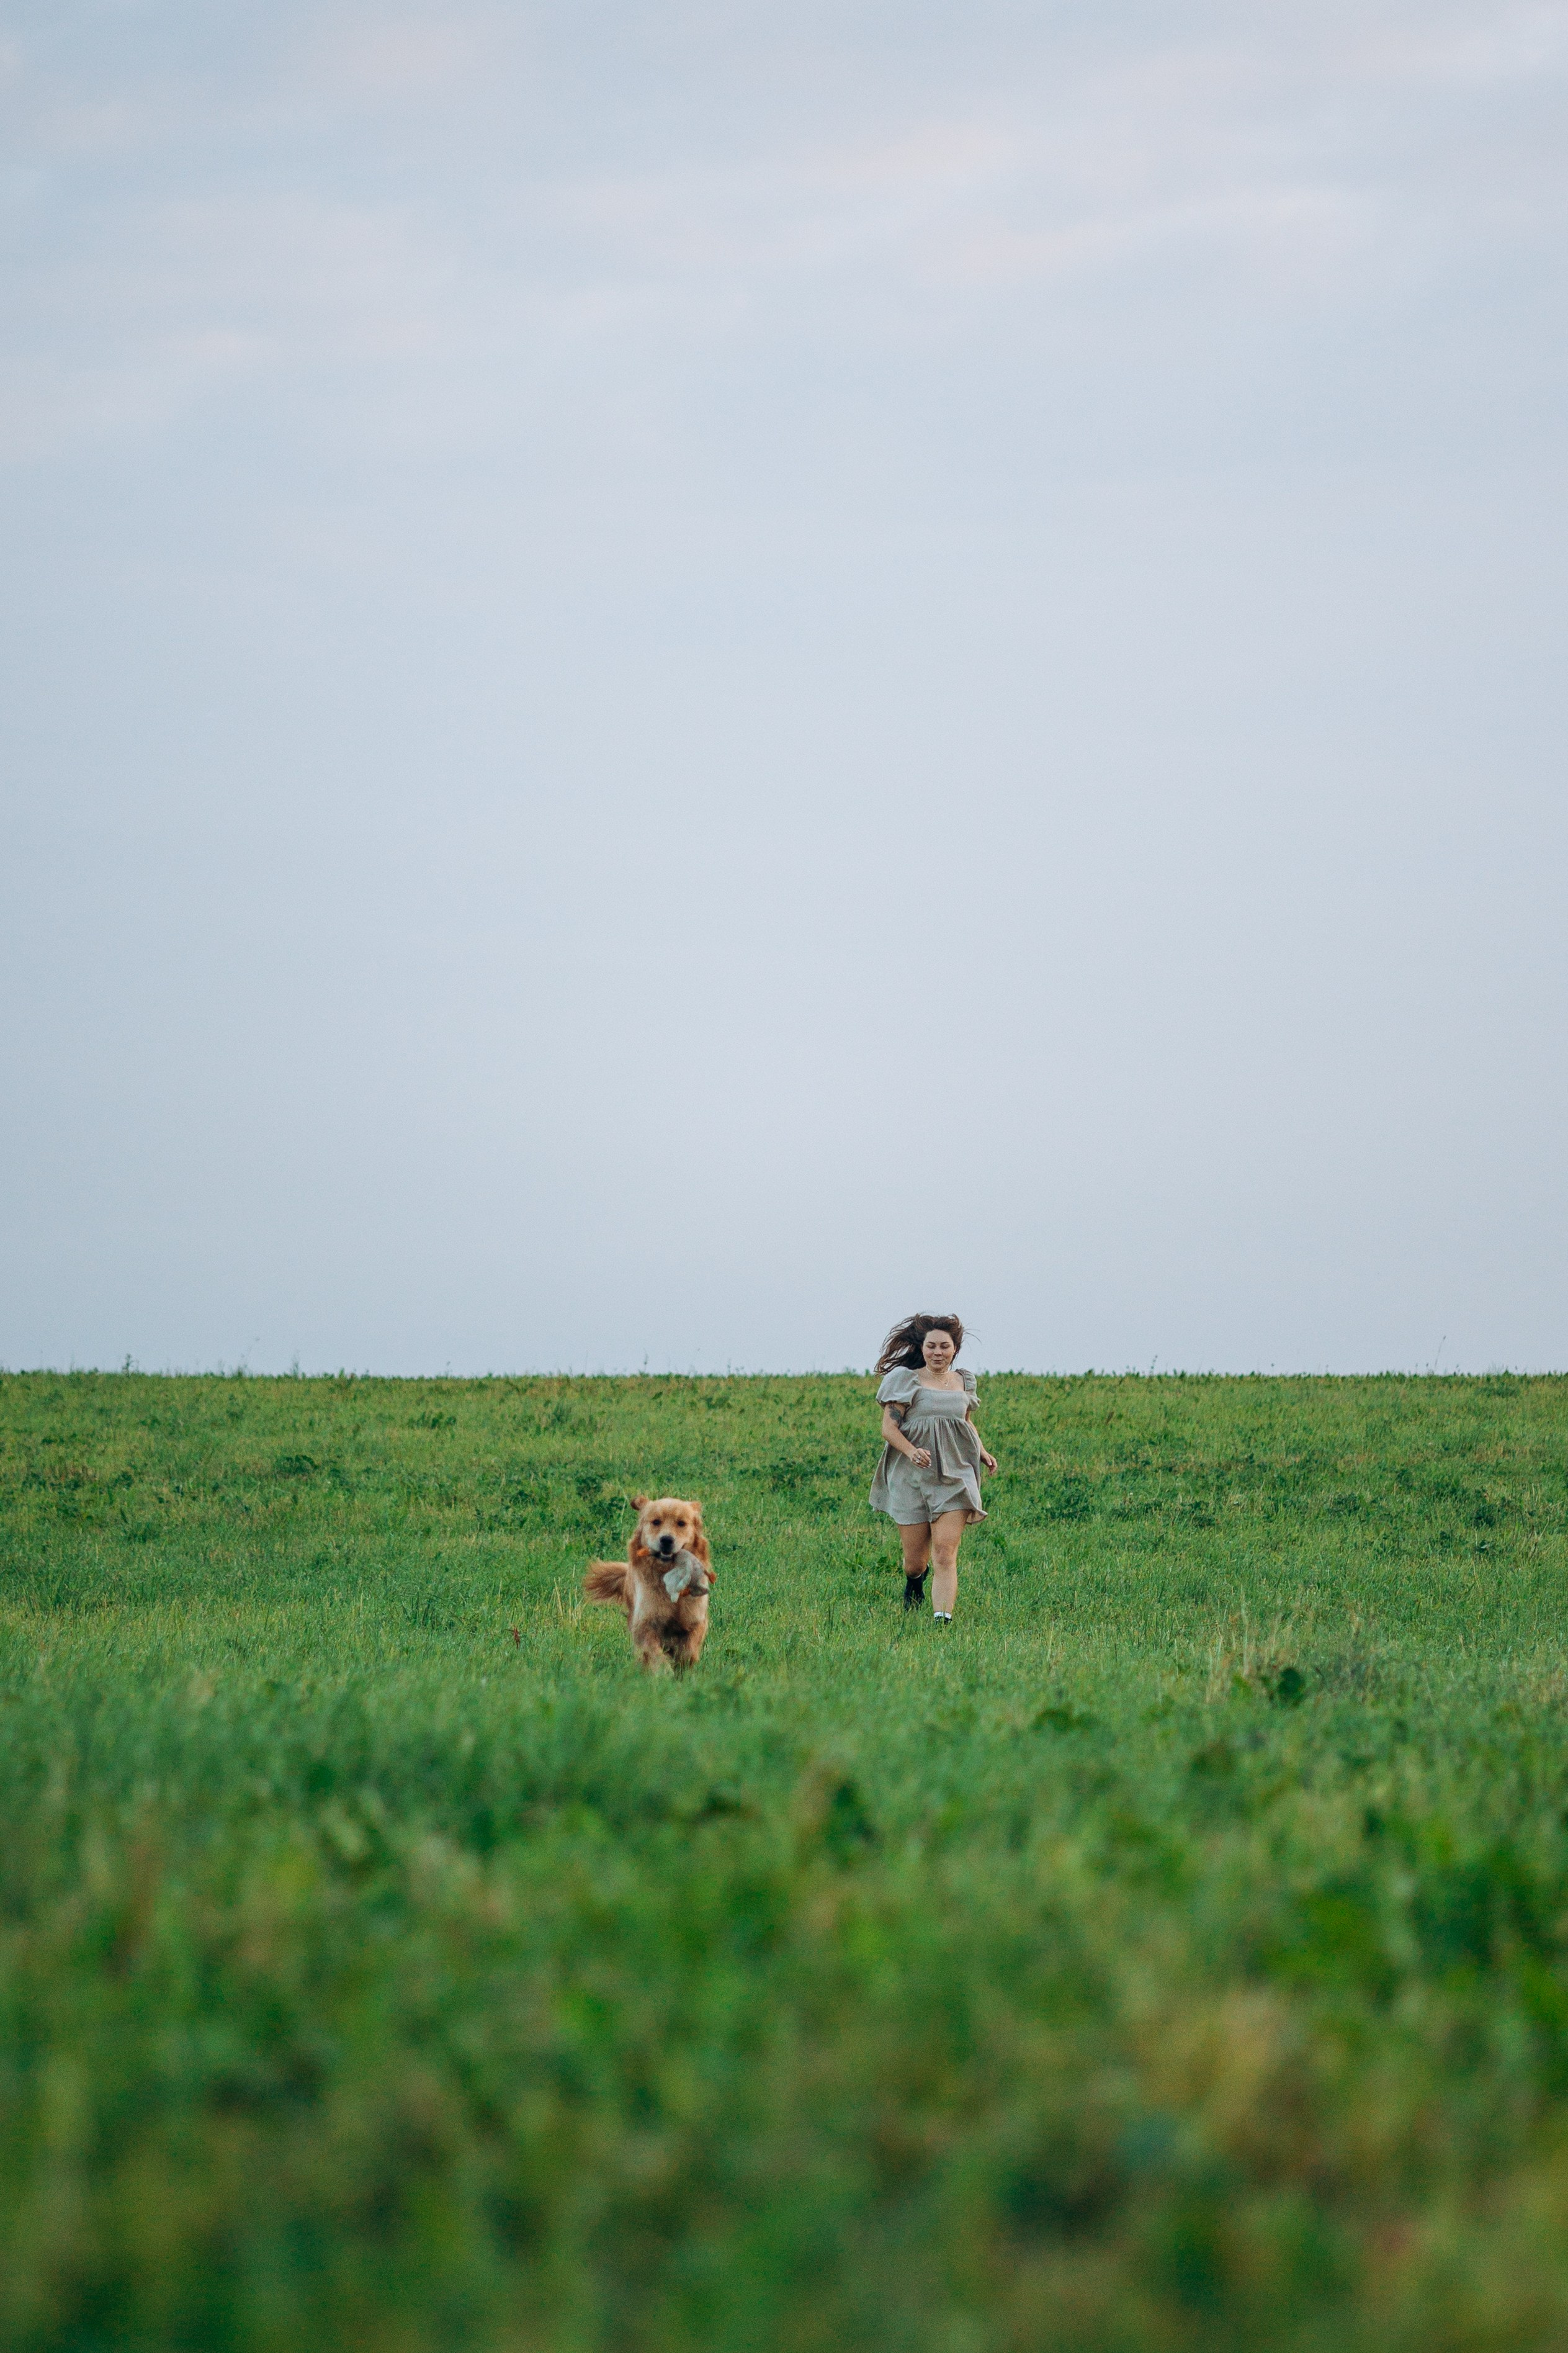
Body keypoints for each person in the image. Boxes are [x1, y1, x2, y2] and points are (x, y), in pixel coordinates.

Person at [869, 1312, 997, 1622]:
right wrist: (912, 1452)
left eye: (944, 1347)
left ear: (955, 1350)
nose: (937, 1352)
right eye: (931, 1347)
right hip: (911, 1475)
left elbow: (966, 1423)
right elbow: (889, 1429)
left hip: (956, 1473)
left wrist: (981, 1451)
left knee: (944, 1553)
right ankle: (914, 1582)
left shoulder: (964, 1382)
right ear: (922, 1348)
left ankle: (942, 1620)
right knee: (916, 1562)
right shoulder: (905, 1380)